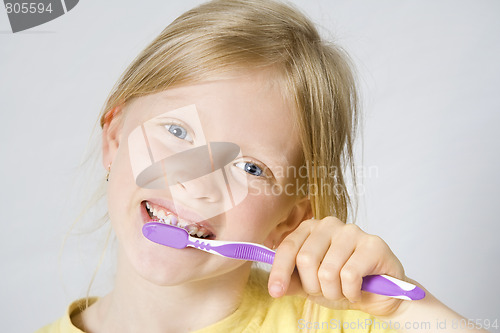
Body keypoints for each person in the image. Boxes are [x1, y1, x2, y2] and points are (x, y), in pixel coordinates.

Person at [37, 0, 486, 332]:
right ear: (114, 140)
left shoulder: (334, 324)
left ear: (289, 221)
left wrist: (405, 310)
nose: (196, 183)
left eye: (251, 168)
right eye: (176, 132)